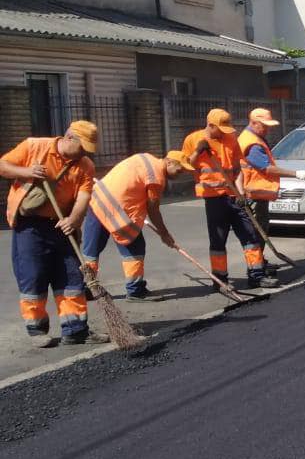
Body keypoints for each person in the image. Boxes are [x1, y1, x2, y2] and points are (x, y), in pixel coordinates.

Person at [0, 122, 101, 346]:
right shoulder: (35, 147)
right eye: (83, 147)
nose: (84, 153)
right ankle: (37, 330)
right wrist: (27, 172)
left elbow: (84, 196)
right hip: (30, 226)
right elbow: (3, 166)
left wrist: (74, 220)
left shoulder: (85, 165)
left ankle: (76, 330)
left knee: (71, 276)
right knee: (33, 275)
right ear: (69, 138)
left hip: (62, 225)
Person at [180, 108, 275, 290]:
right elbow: (185, 167)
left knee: (250, 235)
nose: (223, 133)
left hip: (234, 196)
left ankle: (257, 276)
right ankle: (220, 279)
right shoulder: (193, 139)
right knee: (218, 240)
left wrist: (240, 193)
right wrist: (198, 151)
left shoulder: (231, 139)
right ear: (210, 125)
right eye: (220, 129)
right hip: (214, 198)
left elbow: (237, 169)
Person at [81, 150, 194, 301]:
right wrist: (164, 234)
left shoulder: (145, 157)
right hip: (117, 211)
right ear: (169, 162)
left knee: (92, 249)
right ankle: (136, 291)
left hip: (98, 200)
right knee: (135, 249)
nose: (180, 174)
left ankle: (86, 288)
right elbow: (153, 209)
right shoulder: (156, 178)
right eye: (179, 170)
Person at [238, 107, 297, 276]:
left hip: (256, 193)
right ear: (254, 123)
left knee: (259, 231)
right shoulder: (252, 143)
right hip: (252, 194)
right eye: (264, 126)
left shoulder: (253, 137)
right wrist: (297, 174)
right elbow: (266, 168)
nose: (267, 129)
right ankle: (256, 270)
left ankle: (260, 263)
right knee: (256, 234)